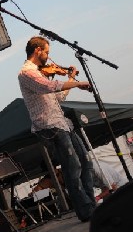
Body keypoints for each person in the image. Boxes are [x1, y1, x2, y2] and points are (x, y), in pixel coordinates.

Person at [18, 36, 96, 222]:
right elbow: (49, 86)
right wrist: (77, 83)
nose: (48, 57)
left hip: (61, 122)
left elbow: (58, 97)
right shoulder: (27, 73)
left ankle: (90, 205)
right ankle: (86, 211)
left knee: (85, 161)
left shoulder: (39, 72)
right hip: (49, 125)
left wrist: (70, 78)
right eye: (47, 52)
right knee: (72, 166)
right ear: (38, 50)